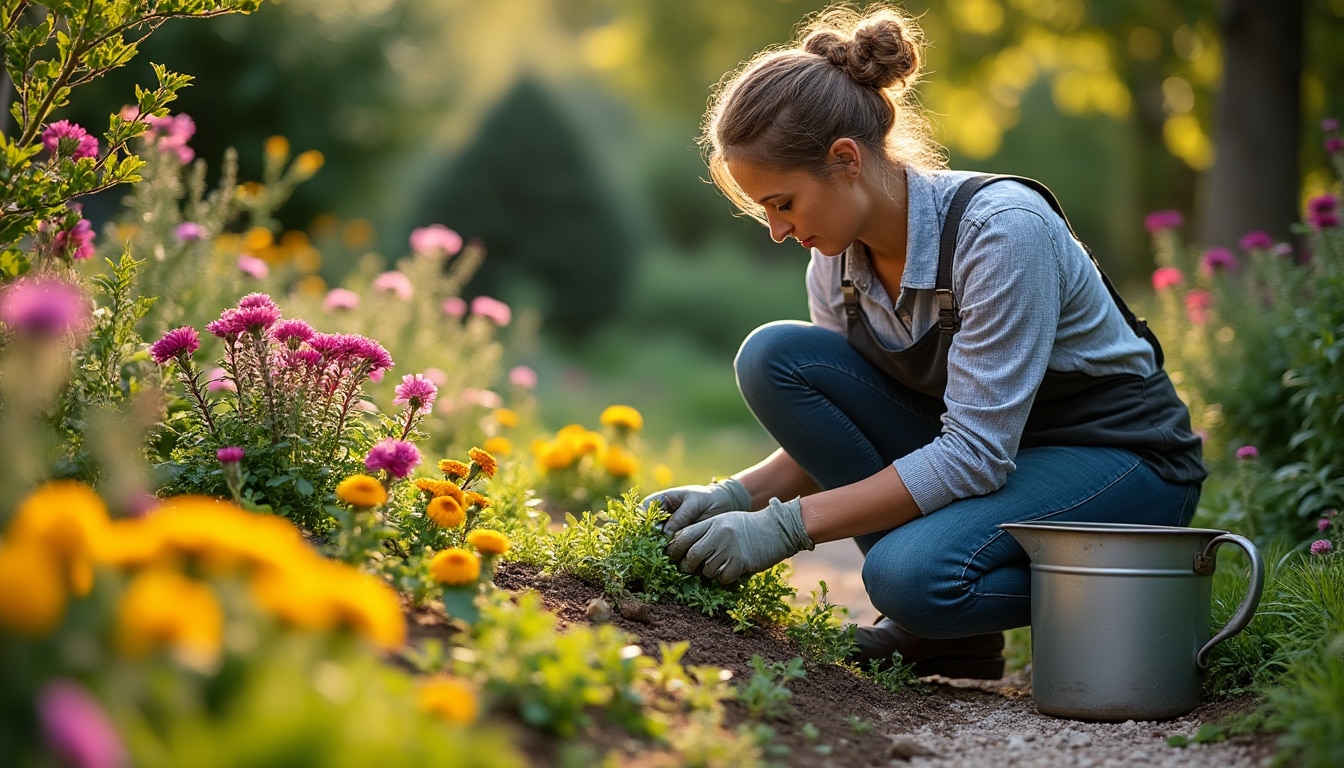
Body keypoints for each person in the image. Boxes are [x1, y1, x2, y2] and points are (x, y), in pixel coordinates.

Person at [643, 2, 1207, 681]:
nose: (776, 230)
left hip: (1120, 461)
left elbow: (973, 455)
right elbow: (840, 424)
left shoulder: (999, 233)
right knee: (775, 359)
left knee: (907, 578)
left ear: (846, 160)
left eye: (783, 203)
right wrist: (737, 495)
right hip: (1006, 459)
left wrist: (786, 527)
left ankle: (1135, 595)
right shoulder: (835, 261)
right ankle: (945, 638)